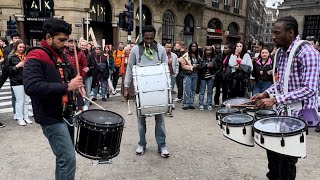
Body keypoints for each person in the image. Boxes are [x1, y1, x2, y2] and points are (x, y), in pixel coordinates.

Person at [252, 16, 320, 180]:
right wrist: (266, 93)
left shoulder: (308, 53)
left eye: (276, 33)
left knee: (287, 161)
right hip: (282, 112)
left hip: (298, 115)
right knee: (273, 153)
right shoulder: (281, 53)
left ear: (290, 33)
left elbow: (310, 89)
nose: (273, 37)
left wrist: (275, 99)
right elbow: (281, 83)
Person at [23, 18, 84, 180]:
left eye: (67, 40)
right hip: (50, 117)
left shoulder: (60, 55)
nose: (65, 44)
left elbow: (71, 74)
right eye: (61, 40)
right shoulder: (36, 55)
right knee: (68, 158)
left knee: (64, 158)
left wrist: (78, 83)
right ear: (48, 37)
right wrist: (67, 87)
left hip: (65, 113)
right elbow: (31, 87)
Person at [124, 25, 169, 158]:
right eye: (146, 38)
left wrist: (167, 89)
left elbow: (165, 69)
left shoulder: (160, 49)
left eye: (151, 38)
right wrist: (126, 87)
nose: (149, 41)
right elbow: (129, 68)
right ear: (142, 36)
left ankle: (162, 145)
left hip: (158, 90)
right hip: (141, 91)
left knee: (160, 120)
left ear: (154, 37)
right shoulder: (135, 50)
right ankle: (142, 144)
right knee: (140, 120)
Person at [3, 40, 32, 126]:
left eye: (23, 47)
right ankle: (20, 118)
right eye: (20, 47)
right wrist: (17, 66)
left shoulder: (26, 56)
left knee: (27, 100)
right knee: (20, 101)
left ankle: (26, 117)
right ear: (16, 47)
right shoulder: (11, 57)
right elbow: (7, 71)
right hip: (16, 81)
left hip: (26, 80)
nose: (22, 49)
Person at [180, 42, 201, 110]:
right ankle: (186, 103)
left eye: (195, 46)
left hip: (195, 74)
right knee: (187, 88)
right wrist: (192, 67)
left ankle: (191, 103)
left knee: (193, 89)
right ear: (190, 47)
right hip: (188, 74)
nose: (194, 47)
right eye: (192, 46)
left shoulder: (198, 55)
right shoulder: (186, 55)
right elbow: (183, 66)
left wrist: (198, 66)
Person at [198, 46, 216, 111]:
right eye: (207, 50)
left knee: (210, 91)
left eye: (209, 50)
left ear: (212, 51)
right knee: (202, 91)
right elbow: (199, 67)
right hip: (203, 77)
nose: (208, 51)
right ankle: (201, 104)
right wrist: (206, 65)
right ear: (205, 51)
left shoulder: (214, 58)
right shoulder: (202, 58)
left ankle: (209, 104)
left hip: (210, 77)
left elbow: (217, 67)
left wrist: (213, 66)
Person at [164, 41, 179, 117]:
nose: (169, 48)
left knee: (171, 89)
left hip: (172, 74)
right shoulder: (162, 55)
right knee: (166, 90)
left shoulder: (174, 55)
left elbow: (177, 64)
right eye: (167, 47)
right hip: (165, 75)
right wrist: (167, 62)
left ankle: (171, 102)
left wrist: (176, 73)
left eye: (170, 47)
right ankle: (166, 103)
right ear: (165, 47)